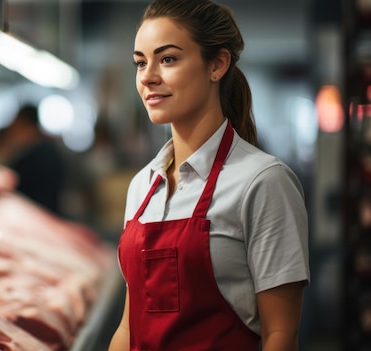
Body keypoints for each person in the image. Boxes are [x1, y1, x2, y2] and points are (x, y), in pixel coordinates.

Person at [109, 1, 310, 350]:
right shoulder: (143, 185)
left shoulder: (262, 181)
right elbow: (129, 327)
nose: (147, 76)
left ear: (217, 64)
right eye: (140, 62)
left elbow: (281, 335)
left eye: (167, 59)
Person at [0, 104, 65, 215]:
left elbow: (12, 183)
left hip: (39, 215)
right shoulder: (48, 150)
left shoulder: (35, 156)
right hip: (48, 214)